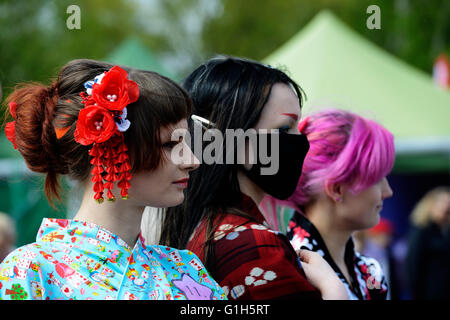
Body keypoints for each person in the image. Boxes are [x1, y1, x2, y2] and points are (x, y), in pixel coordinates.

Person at [0, 59, 225, 300]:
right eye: (170, 144)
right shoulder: (31, 272)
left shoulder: (186, 271)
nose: (192, 160)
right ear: (109, 148)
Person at [159, 56, 348, 300]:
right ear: (229, 139)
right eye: (283, 129)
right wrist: (334, 290)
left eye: (298, 127)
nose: (301, 142)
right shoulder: (251, 246)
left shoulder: (208, 231)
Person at [277, 109, 395, 300]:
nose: (388, 191)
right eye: (377, 179)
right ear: (336, 189)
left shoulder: (369, 271)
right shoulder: (286, 270)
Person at [406, 186, 450, 299]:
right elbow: (413, 266)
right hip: (428, 292)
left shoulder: (445, 230)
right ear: (431, 205)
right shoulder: (422, 231)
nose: (447, 206)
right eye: (444, 202)